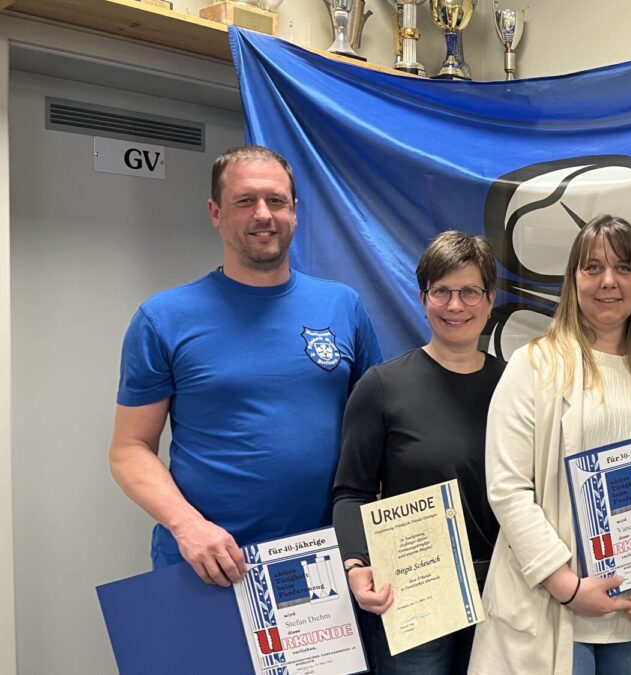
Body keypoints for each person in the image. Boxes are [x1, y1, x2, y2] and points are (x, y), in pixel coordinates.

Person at [109, 144, 382, 585]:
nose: (263, 214)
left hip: (321, 565)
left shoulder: (342, 307)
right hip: (208, 565)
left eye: (276, 200)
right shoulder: (163, 319)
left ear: (295, 211)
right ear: (217, 213)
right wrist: (187, 526)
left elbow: (375, 432)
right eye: (245, 201)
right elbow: (129, 449)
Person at [469, 215, 631, 675]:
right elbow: (507, 489)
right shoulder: (535, 365)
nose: (609, 281)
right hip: (554, 604)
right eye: (592, 268)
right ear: (573, 281)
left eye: (624, 268)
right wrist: (566, 584)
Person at [333, 231, 504, 675]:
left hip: (505, 590)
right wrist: (356, 564)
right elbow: (351, 492)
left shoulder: (518, 387)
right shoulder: (382, 387)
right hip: (415, 594)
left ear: (489, 299)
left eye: (469, 291)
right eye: (441, 291)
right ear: (422, 296)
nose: (454, 306)